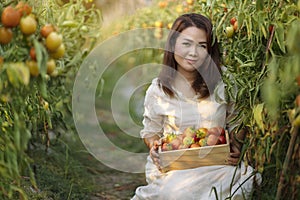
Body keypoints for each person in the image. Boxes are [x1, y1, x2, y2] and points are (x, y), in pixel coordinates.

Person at [131, 13, 261, 200]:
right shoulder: (158, 90)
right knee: (177, 191)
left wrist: (234, 148)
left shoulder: (224, 81)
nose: (193, 52)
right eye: (186, 44)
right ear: (173, 44)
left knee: (230, 182)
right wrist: (154, 148)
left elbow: (236, 122)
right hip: (176, 165)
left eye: (202, 46)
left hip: (216, 164)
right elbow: (151, 133)